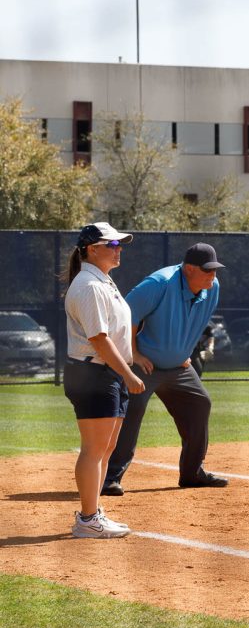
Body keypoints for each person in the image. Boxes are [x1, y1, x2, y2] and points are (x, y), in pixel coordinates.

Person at [101, 242, 229, 495]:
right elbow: (125, 318)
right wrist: (134, 354)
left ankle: (192, 473)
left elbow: (198, 321)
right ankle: (109, 478)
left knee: (200, 403)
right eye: (207, 270)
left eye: (215, 269)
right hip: (144, 365)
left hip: (178, 368)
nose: (212, 275)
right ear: (189, 269)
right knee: (131, 412)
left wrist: (184, 351)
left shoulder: (212, 288)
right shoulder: (158, 283)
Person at [62, 222, 144, 538]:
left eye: (119, 244)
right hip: (94, 373)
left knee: (106, 449)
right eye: (112, 244)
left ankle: (93, 514)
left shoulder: (102, 281)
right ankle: (87, 519)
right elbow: (98, 338)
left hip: (104, 372)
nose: (118, 248)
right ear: (92, 249)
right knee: (94, 450)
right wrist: (128, 372)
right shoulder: (90, 285)